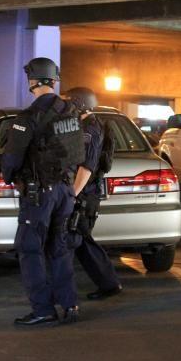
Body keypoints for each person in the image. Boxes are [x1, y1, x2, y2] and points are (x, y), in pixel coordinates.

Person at [1, 57, 85, 326]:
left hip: (40, 194)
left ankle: (43, 309)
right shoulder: (71, 111)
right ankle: (70, 304)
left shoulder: (27, 118)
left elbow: (12, 158)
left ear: (32, 81)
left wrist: (9, 176)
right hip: (65, 190)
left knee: (30, 249)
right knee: (59, 248)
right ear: (54, 79)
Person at [66, 87, 122, 300]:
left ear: (79, 103)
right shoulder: (84, 125)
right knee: (80, 240)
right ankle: (109, 283)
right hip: (84, 194)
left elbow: (86, 167)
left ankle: (108, 284)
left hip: (84, 195)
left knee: (79, 238)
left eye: (69, 102)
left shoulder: (90, 129)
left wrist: (72, 195)